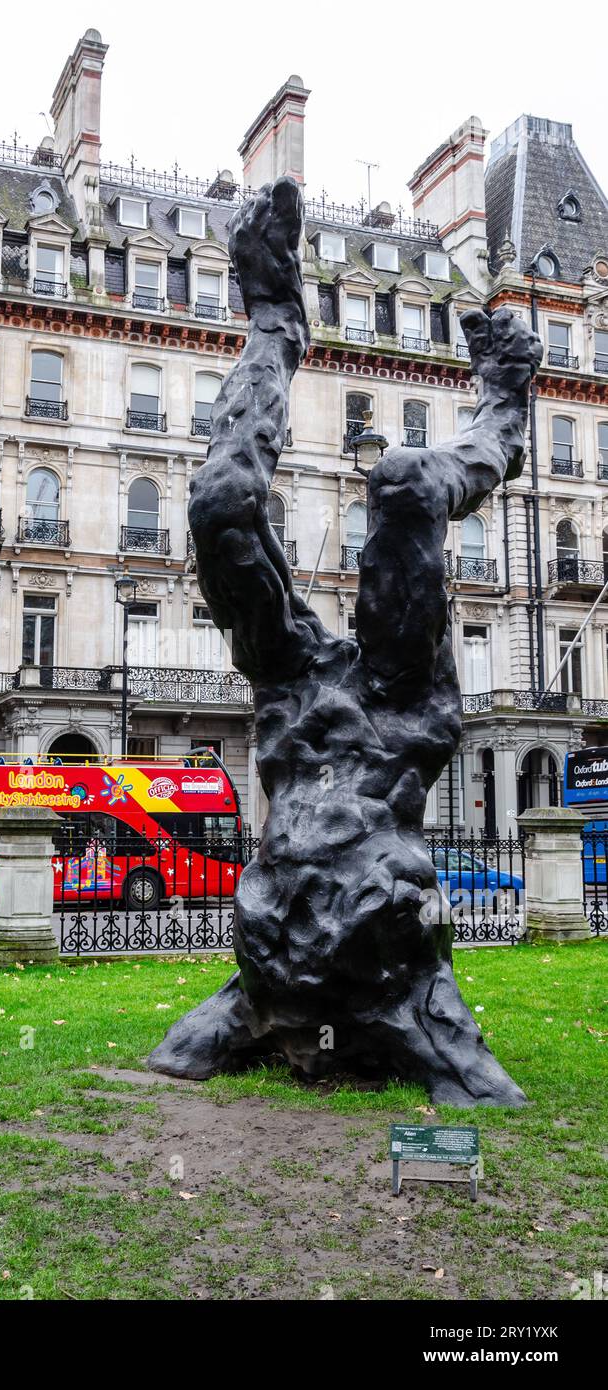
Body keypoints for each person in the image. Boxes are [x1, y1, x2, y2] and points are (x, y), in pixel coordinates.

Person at [149, 177, 540, 1106]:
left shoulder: (397, 729)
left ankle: (503, 415)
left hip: (392, 719)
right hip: (307, 737)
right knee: (219, 506)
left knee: (406, 480)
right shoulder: (291, 702)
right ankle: (278, 322)